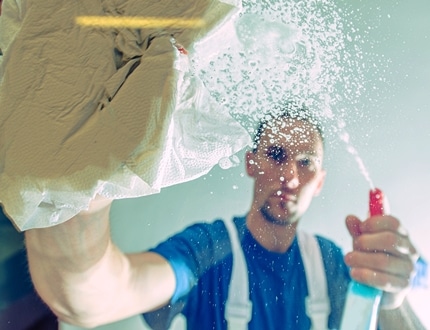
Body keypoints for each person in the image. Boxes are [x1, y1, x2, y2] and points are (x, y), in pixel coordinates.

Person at [24, 105, 422, 329]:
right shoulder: (206, 251)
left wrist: (392, 295)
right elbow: (93, 296)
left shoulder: (337, 263)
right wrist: (77, 173)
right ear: (251, 163)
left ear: (319, 182)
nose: (289, 176)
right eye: (277, 155)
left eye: (305, 163)